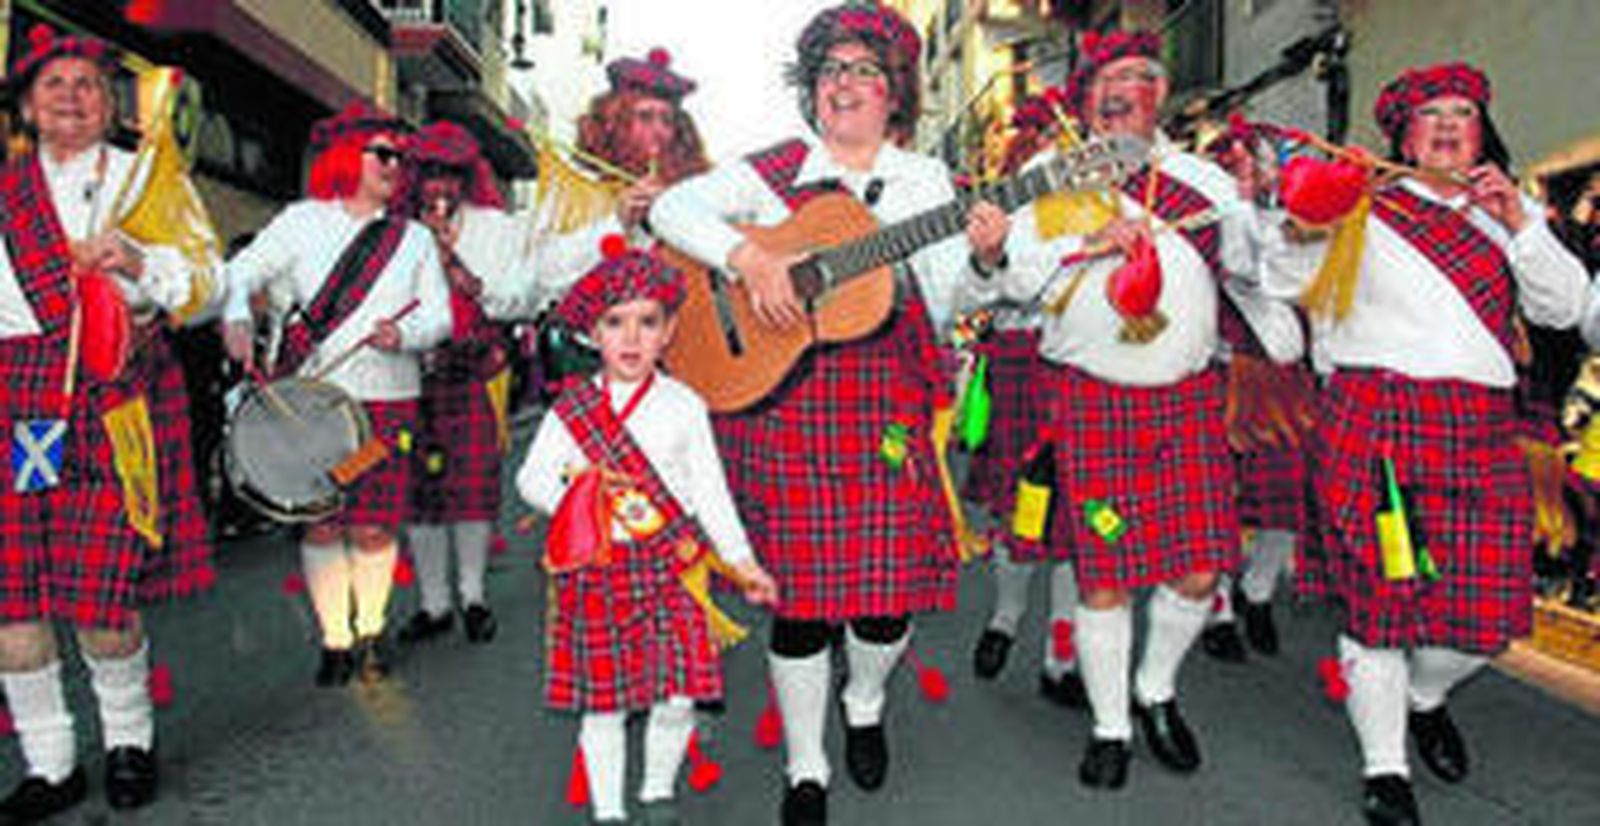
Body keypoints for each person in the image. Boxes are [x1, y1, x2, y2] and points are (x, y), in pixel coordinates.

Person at [650, 5, 1008, 823]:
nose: (844, 84)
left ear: (895, 94)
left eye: (864, 71)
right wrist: (750, 257)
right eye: (830, 70)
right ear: (811, 89)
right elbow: (672, 212)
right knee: (801, 602)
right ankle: (806, 764)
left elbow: (949, 300)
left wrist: (987, 260)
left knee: (885, 601)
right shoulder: (775, 167)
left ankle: (866, 700)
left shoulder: (927, 182)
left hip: (885, 399)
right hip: (783, 400)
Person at [1259, 62, 1590, 825]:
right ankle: (1386, 769)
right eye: (1430, 114)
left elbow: (1564, 306)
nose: (1446, 126)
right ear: (1402, 137)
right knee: (1378, 605)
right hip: (1373, 418)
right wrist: (1308, 213)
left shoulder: (1505, 214)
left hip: (1479, 425)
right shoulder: (1361, 204)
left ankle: (1423, 696)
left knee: (1490, 612)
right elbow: (1284, 279)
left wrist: (1521, 224)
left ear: (1481, 132)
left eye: (1462, 113)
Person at [971, 30, 1261, 791]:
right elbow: (1014, 282)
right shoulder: (1047, 174)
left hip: (1189, 400)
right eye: (1104, 78)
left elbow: (1252, 272)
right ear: (1085, 96)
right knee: (1103, 574)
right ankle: (1109, 728)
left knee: (1200, 568)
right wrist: (1085, 245)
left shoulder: (1203, 179)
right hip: (1091, 398)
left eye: (1135, 76)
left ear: (1158, 94)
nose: (1118, 90)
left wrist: (1261, 209)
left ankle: (1154, 690)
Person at [0, 25, 215, 819]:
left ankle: (129, 743)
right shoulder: (5, 189)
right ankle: (50, 765)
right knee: (12, 599)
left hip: (112, 400)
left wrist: (137, 260)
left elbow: (208, 286)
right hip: (15, 403)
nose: (70, 97)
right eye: (52, 84)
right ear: (27, 106)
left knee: (102, 599)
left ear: (109, 102)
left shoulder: (147, 182)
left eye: (86, 83)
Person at [516, 237, 776, 825]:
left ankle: (658, 791)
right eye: (615, 323)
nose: (631, 338)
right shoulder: (572, 409)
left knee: (678, 695)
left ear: (669, 331)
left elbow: (710, 492)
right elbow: (530, 480)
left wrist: (743, 561)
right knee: (604, 707)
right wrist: (583, 498)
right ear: (592, 334)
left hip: (670, 572)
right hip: (598, 570)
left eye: (647, 322)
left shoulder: (685, 404)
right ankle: (609, 811)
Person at [222, 101, 451, 687]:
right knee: (321, 522)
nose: (394, 165)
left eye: (400, 157)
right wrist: (236, 315)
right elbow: (240, 272)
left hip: (388, 403)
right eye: (383, 153)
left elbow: (440, 318)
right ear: (348, 155)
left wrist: (405, 335)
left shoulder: (415, 239)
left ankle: (369, 630)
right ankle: (335, 639)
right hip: (311, 405)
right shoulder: (302, 221)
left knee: (373, 525)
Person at [969, 91, 1085, 708]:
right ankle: (1011, 624)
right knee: (1029, 511)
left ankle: (1053, 653)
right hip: (1027, 359)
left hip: (1075, 365)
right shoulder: (1018, 197)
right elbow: (995, 283)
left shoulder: (1098, 195)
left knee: (1068, 523)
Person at [393, 121, 524, 646]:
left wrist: (458, 264)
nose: (439, 185)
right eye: (430, 173)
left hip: (469, 369)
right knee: (419, 494)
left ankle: (473, 597)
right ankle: (434, 606)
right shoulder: (394, 230)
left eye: (450, 173)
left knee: (471, 487)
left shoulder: (493, 229)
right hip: (407, 373)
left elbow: (516, 298)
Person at [483, 47, 710, 321]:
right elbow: (544, 278)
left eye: (668, 120)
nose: (659, 132)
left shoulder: (694, 194)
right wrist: (618, 223)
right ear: (615, 122)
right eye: (645, 117)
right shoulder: (574, 190)